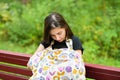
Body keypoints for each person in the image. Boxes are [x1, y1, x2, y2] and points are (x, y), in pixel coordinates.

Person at [27, 12, 85, 80]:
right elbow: (32, 62)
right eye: (53, 35)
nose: (57, 38)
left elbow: (77, 65)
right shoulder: (47, 42)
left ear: (65, 27)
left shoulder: (74, 41)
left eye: (59, 33)